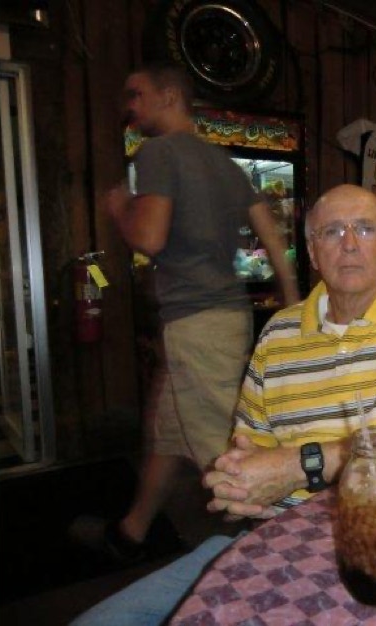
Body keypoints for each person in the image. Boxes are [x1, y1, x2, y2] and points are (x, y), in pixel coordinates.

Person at [69, 183, 376, 625]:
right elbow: (249, 454)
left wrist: (303, 465)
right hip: (275, 539)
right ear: (313, 252)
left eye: (365, 228)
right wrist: (241, 486)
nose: (349, 243)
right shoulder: (278, 333)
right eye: (332, 231)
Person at [69, 63, 299, 563]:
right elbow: (273, 238)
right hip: (226, 318)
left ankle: (281, 548)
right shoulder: (224, 164)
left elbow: (150, 237)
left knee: (223, 451)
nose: (130, 105)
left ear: (170, 96)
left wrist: (120, 209)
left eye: (137, 94)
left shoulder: (158, 152)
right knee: (169, 434)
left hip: (197, 323)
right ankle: (131, 532)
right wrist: (291, 305)